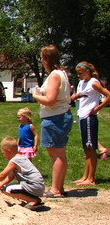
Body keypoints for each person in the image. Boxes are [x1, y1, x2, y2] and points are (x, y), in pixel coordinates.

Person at [32, 45, 73, 198]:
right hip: (60, 115)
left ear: (46, 59)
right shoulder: (62, 73)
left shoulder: (55, 75)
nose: (41, 60)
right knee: (60, 153)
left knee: (56, 153)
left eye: (42, 58)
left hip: (55, 117)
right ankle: (59, 187)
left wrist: (36, 95)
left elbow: (50, 100)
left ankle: (55, 189)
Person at [70, 61, 110, 185]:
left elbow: (108, 95)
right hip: (82, 116)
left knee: (91, 148)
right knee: (86, 149)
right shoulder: (82, 83)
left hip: (89, 117)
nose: (78, 75)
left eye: (80, 73)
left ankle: (91, 178)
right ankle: (85, 176)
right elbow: (81, 95)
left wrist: (97, 108)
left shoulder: (94, 82)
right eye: (77, 73)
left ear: (87, 71)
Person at [0, 137, 45, 210]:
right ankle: (35, 199)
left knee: (7, 189)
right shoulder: (22, 157)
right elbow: (10, 177)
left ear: (9, 151)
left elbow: (2, 175)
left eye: (3, 153)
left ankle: (32, 200)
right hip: (38, 186)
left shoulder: (15, 160)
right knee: (6, 187)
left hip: (33, 185)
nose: (3, 156)